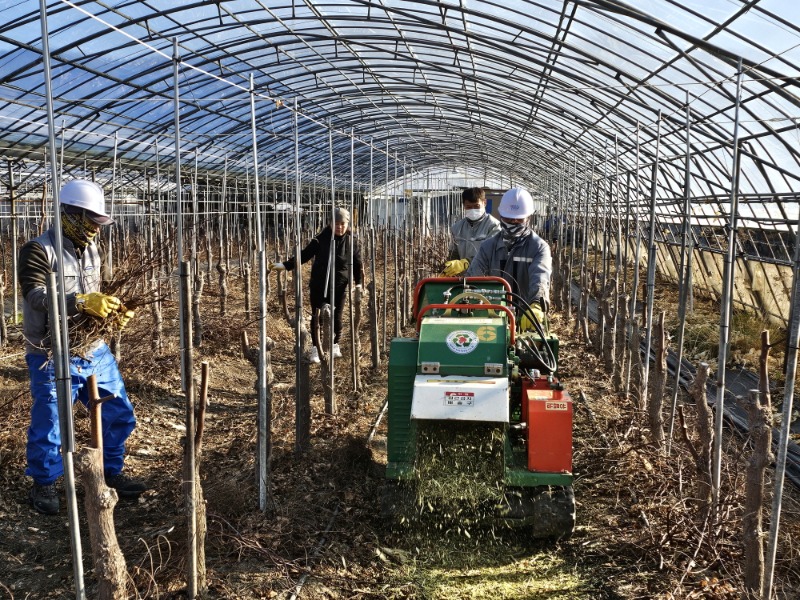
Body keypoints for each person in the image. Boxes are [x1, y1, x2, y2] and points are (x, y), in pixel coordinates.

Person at [18, 179, 145, 515]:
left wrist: (114, 313)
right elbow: (35, 296)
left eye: (98, 223)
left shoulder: (91, 248)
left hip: (93, 348)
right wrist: (79, 301)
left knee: (118, 412)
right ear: (70, 215)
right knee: (52, 422)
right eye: (90, 221)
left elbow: (97, 293)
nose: (94, 230)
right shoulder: (37, 250)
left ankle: (110, 471)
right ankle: (45, 482)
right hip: (51, 350)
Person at [269, 207, 363, 363]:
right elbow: (305, 255)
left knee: (337, 317)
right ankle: (315, 348)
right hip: (319, 284)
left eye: (343, 224)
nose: (339, 227)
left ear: (347, 224)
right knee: (317, 316)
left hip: (340, 285)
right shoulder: (320, 239)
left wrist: (359, 284)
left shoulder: (352, 241)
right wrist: (286, 265)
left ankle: (334, 345)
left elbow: (358, 264)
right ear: (330, 223)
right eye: (336, 223)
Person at [464, 187, 552, 329]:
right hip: (493, 316)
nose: (513, 222)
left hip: (527, 315)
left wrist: (536, 304)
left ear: (528, 217)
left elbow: (540, 277)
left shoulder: (539, 248)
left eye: (519, 219)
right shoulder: (488, 246)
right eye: (509, 219)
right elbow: (473, 277)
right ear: (501, 216)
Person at [442, 187, 501, 276]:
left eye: (476, 206)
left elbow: (491, 254)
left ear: (484, 203)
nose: (473, 210)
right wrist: (450, 269)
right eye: (469, 207)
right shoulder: (457, 227)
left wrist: (467, 262)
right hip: (463, 279)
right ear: (463, 206)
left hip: (486, 279)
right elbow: (453, 253)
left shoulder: (494, 226)